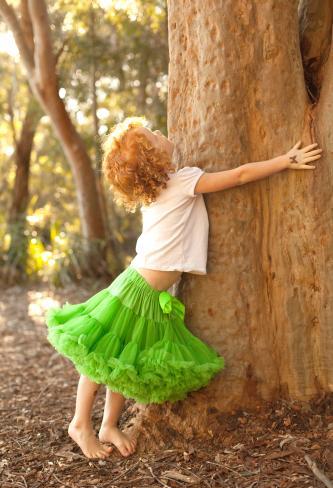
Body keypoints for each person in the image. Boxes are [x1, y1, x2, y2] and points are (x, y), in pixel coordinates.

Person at [45, 116, 322, 460]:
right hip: (137, 290)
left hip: (145, 291)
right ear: (153, 160)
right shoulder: (181, 181)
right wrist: (284, 160)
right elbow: (238, 176)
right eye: (153, 136)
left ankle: (108, 426)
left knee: (121, 359)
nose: (161, 133)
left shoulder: (158, 191)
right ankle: (80, 424)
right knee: (101, 358)